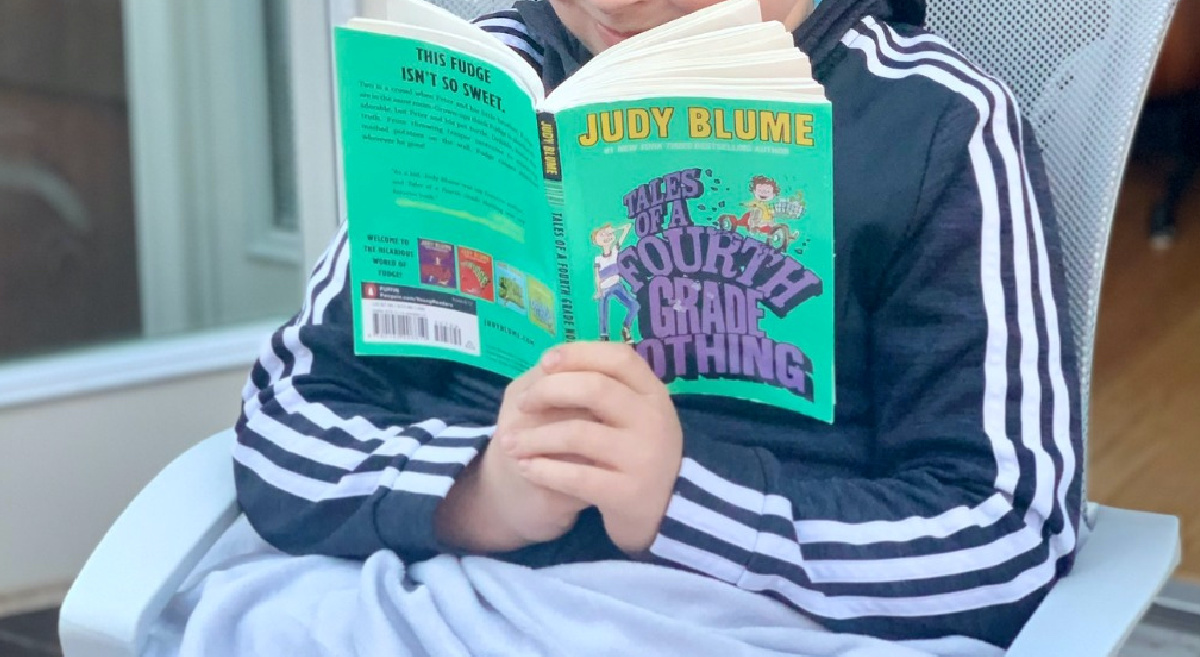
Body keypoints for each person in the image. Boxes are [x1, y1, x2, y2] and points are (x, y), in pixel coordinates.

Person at [232, 0, 1082, 653]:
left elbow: (1009, 531)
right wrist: (479, 492)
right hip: (435, 591)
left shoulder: (938, 128)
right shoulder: (473, 86)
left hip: (739, 615)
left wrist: (682, 499)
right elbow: (285, 422)